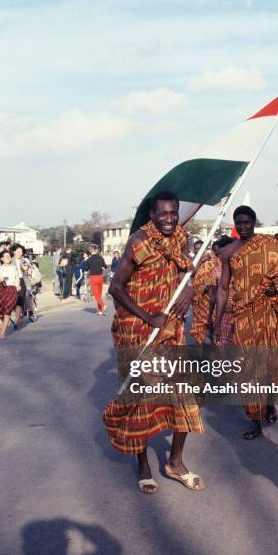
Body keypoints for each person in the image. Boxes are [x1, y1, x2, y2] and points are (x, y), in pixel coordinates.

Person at [103, 190, 204, 494]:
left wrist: (189, 288)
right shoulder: (139, 242)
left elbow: (185, 271)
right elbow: (116, 288)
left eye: (173, 212)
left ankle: (175, 462)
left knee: (184, 394)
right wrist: (149, 318)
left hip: (171, 330)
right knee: (142, 401)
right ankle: (144, 465)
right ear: (152, 215)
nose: (170, 219)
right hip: (139, 330)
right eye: (163, 214)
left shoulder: (180, 237)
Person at [214, 205, 278, 440]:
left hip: (270, 312)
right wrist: (216, 322)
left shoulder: (271, 245)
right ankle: (254, 420)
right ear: (234, 224)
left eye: (247, 222)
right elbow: (222, 288)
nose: (243, 226)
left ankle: (269, 403)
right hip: (243, 316)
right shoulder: (229, 251)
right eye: (238, 222)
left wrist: (275, 290)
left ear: (254, 222)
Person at [189, 240, 217, 345]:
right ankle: (200, 348)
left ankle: (215, 345)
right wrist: (200, 261)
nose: (199, 250)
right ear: (194, 250)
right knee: (199, 325)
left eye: (201, 248)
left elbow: (217, 273)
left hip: (211, 297)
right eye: (196, 248)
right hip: (197, 299)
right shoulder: (192, 261)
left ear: (205, 249)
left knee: (212, 322)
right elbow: (190, 273)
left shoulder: (212, 260)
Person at [0, 249, 21, 339]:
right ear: (2, 258)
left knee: (7, 312)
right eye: (5, 257)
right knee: (1, 312)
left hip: (12, 290)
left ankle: (3, 332)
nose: (8, 258)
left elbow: (17, 278)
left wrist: (17, 286)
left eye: (9, 256)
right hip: (1, 291)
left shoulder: (14, 268)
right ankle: (3, 326)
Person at [86, 244, 107, 314]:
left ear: (90, 250)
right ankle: (99, 310)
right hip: (100, 277)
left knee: (95, 294)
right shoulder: (100, 258)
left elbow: (86, 269)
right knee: (99, 294)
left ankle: (103, 305)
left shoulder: (89, 259)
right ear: (96, 250)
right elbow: (105, 266)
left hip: (93, 277)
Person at [10, 244, 27, 328]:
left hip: (21, 281)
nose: (20, 253)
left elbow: (26, 269)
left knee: (19, 301)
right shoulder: (10, 260)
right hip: (12, 282)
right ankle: (20, 315)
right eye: (18, 251)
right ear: (14, 252)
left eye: (21, 252)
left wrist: (24, 267)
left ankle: (17, 320)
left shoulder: (24, 260)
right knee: (14, 301)